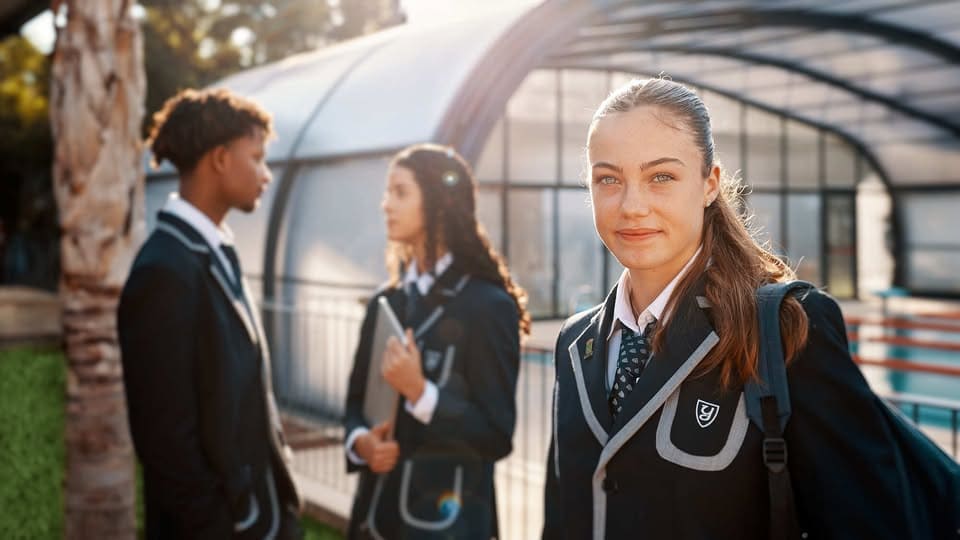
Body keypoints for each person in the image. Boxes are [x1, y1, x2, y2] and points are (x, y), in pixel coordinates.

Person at [542, 77, 921, 539]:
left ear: (710, 184)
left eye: (661, 176)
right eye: (608, 179)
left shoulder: (787, 329)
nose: (632, 205)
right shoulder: (575, 343)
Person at [118, 88, 301, 539]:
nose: (266, 174)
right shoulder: (165, 270)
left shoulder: (212, 252)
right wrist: (228, 527)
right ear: (220, 159)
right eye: (256, 158)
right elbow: (167, 446)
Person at [342, 143, 530, 539]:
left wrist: (421, 393)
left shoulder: (488, 305)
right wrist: (361, 444)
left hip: (447, 526)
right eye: (386, 192)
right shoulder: (384, 301)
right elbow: (355, 404)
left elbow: (495, 435)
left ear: (439, 202)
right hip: (374, 520)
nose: (385, 204)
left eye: (400, 192)